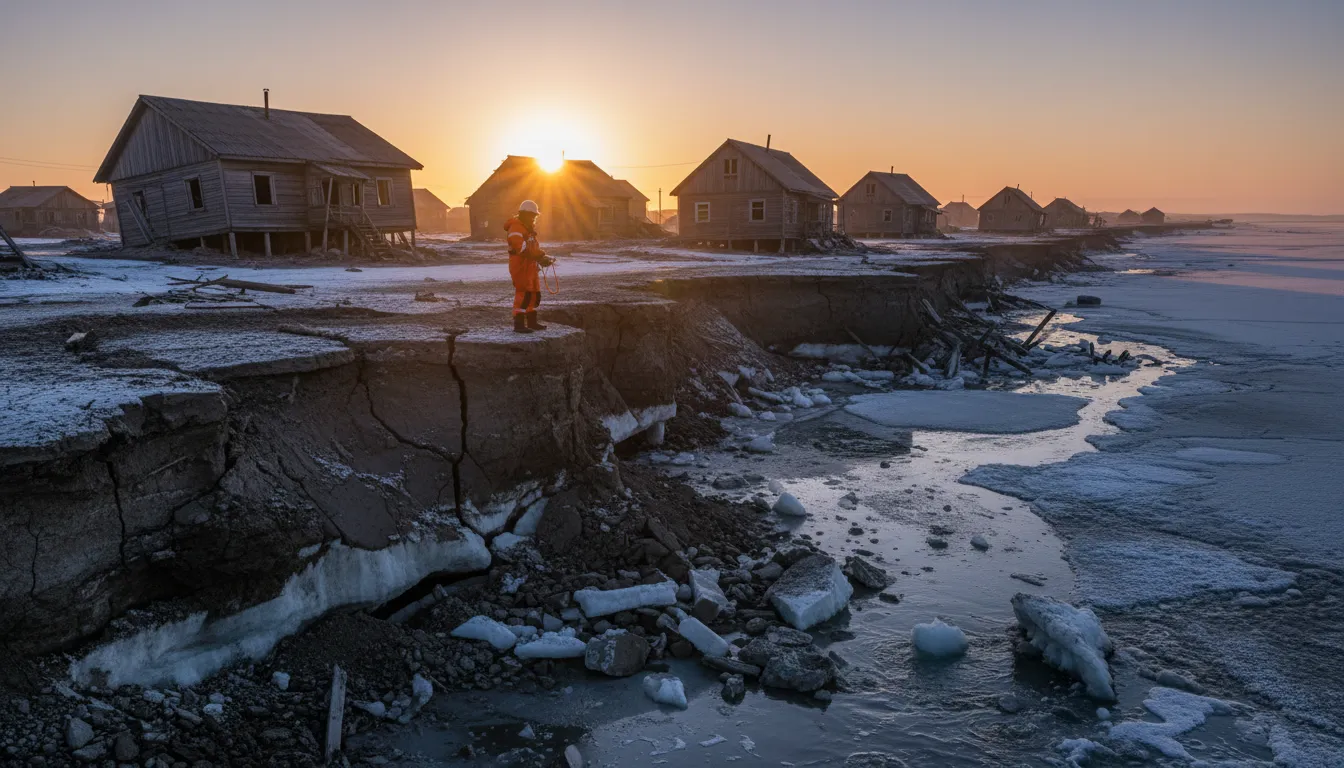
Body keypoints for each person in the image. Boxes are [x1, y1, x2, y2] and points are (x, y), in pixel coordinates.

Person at [504, 200, 552, 333]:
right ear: (523, 214)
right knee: (523, 293)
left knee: (534, 293)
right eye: (531, 215)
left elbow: (532, 249)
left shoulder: (528, 229)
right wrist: (539, 256)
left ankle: (532, 322)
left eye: (534, 216)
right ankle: (518, 324)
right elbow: (520, 249)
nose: (533, 218)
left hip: (530, 266)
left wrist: (541, 258)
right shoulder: (516, 228)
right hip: (520, 266)